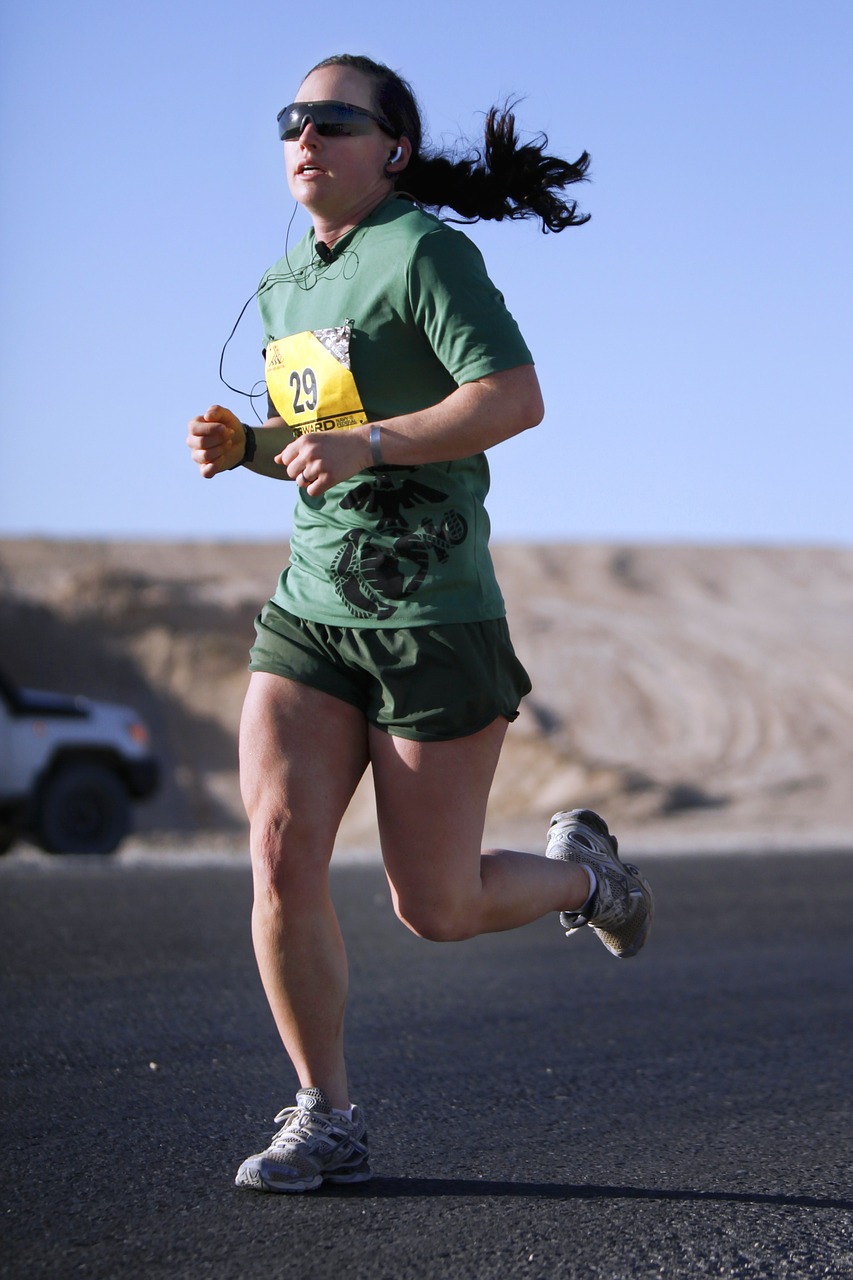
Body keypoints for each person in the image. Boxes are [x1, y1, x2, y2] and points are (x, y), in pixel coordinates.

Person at [187, 52, 654, 1195]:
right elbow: (326, 443)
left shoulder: (428, 251)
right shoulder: (288, 280)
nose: (306, 137)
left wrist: (377, 443)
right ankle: (325, 1111)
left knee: (434, 905)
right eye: (292, 121)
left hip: (430, 620)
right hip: (310, 614)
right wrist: (246, 447)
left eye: (333, 121)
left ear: (390, 146)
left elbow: (510, 396)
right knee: (279, 849)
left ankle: (584, 876)